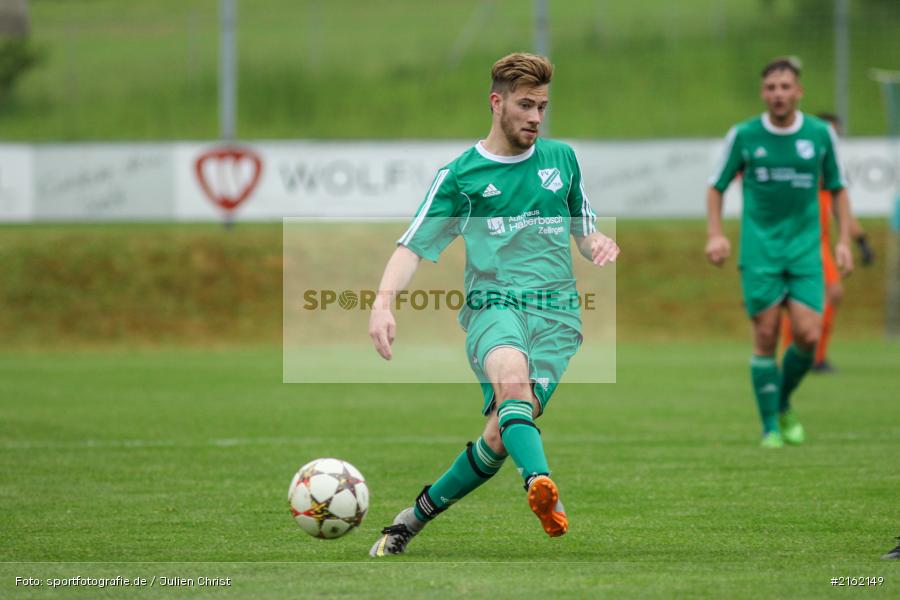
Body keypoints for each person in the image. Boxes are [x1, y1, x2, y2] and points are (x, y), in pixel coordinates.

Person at [366, 52, 620, 556]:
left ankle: (411, 520)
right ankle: (540, 485)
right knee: (512, 385)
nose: (535, 117)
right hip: (494, 304)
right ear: (496, 102)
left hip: (557, 317)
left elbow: (582, 228)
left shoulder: (563, 160)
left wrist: (597, 243)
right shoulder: (461, 176)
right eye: (526, 105)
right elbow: (413, 245)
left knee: (501, 436)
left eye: (543, 107)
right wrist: (382, 303)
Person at [705, 57, 854, 448]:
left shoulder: (821, 134)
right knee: (766, 335)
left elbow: (838, 187)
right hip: (761, 251)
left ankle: (782, 400)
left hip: (806, 250)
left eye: (785, 87)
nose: (778, 94)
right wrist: (716, 235)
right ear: (763, 93)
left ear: (798, 91)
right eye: (771, 88)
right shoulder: (744, 135)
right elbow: (716, 186)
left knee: (807, 334)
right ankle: (770, 426)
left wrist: (842, 240)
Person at [780, 112, 875, 373]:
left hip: (818, 241)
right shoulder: (802, 161)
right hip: (800, 241)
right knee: (811, 297)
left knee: (829, 295)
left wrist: (859, 238)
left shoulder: (827, 166)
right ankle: (800, 356)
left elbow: (839, 205)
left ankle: (813, 356)